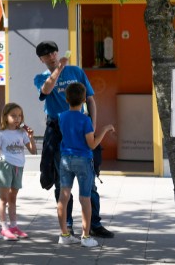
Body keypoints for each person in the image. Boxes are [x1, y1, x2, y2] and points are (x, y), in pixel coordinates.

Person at [34, 41, 114, 239]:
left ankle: (94, 223)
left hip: (81, 125)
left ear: (57, 52)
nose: (51, 56)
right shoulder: (40, 77)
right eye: (46, 55)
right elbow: (46, 90)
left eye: (53, 52)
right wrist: (59, 69)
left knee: (90, 178)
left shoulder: (76, 72)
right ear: (41, 59)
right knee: (63, 182)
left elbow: (91, 99)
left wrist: (93, 126)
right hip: (57, 128)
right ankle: (67, 225)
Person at [56, 83, 115, 247]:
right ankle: (86, 236)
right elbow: (92, 144)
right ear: (84, 100)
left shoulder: (62, 117)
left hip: (65, 159)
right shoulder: (85, 120)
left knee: (63, 196)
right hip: (82, 160)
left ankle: (64, 234)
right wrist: (104, 130)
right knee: (85, 198)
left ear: (66, 99)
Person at [0, 102, 36, 240]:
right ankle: (4, 228)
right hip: (6, 167)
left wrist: (31, 137)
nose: (17, 118)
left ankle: (14, 226)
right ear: (5, 117)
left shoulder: (22, 133)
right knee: (4, 198)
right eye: (13, 115)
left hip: (19, 168)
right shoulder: (1, 134)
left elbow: (33, 151)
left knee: (13, 198)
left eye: (19, 115)